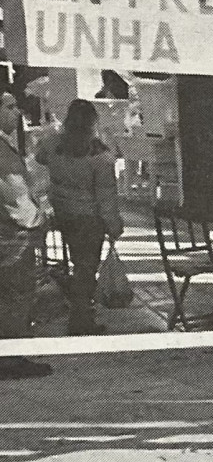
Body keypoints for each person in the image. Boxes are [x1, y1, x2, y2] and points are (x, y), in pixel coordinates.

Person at [35, 99, 123, 336]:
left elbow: (39, 157)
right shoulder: (100, 156)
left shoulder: (54, 144)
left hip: (63, 213)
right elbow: (106, 197)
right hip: (89, 219)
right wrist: (114, 225)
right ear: (93, 123)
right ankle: (81, 317)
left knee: (77, 262)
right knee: (86, 268)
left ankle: (78, 307)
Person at [0, 90, 53, 379]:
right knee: (16, 294)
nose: (17, 112)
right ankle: (11, 359)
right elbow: (15, 196)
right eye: (9, 107)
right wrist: (36, 220)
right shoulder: (2, 150)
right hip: (11, 237)